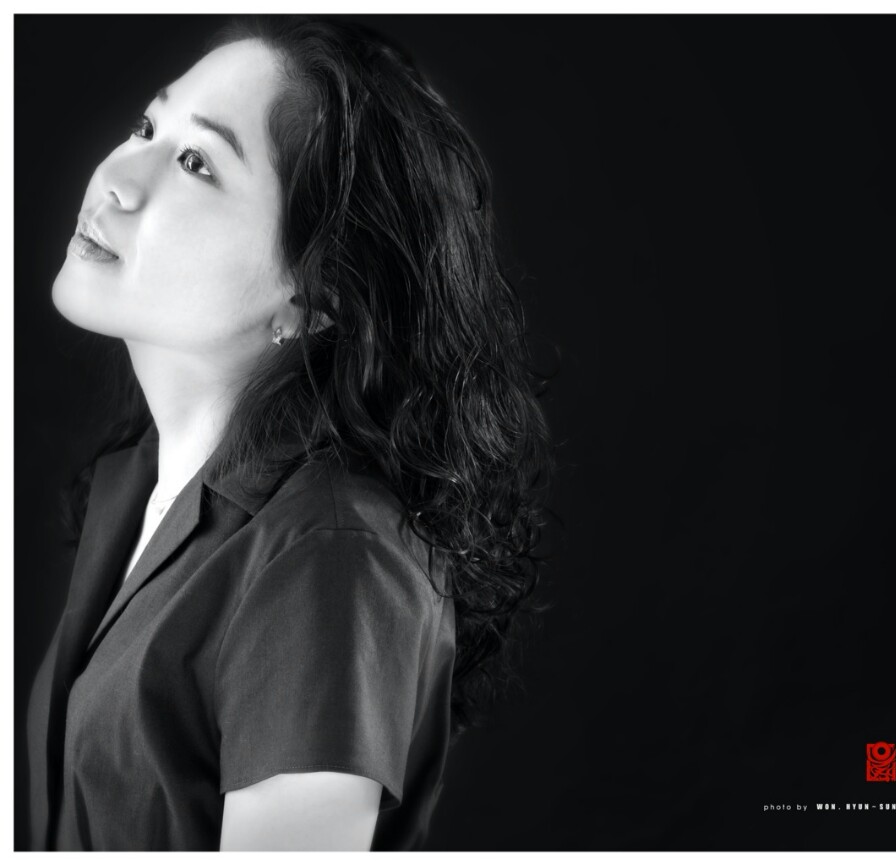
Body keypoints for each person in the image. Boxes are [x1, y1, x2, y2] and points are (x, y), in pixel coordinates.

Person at [25, 16, 555, 852]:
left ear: (312, 297)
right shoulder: (145, 482)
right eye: (146, 128)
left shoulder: (332, 558)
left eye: (196, 163)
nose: (116, 180)